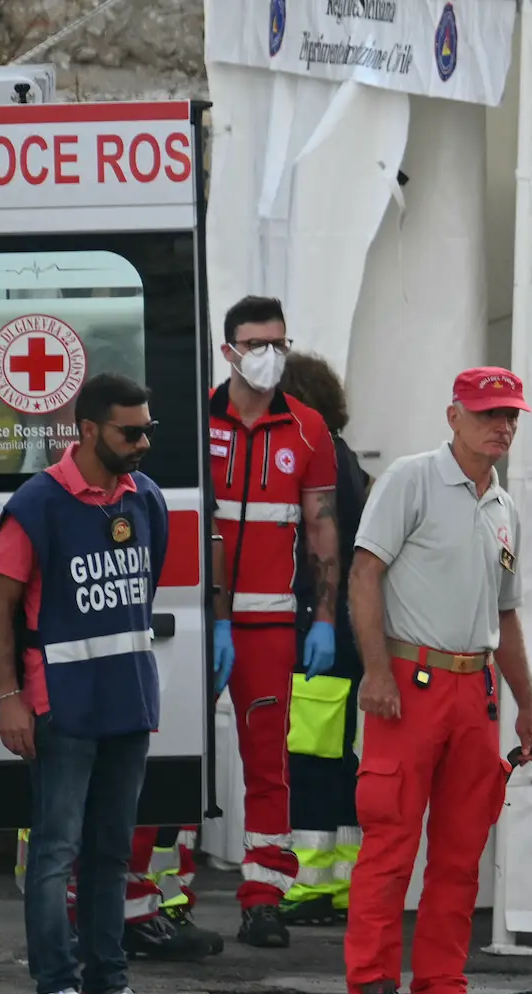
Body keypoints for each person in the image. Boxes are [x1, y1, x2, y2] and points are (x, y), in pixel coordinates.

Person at [341, 368, 532, 994]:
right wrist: (376, 671)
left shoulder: (503, 507)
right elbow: (364, 572)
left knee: (461, 853)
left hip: (473, 690)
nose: (503, 426)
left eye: (511, 415)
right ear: (453, 416)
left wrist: (527, 706)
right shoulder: (412, 478)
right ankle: (371, 993)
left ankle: (440, 993)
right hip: (409, 680)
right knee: (392, 843)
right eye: (490, 413)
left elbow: (506, 615)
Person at [0, 373, 186, 994]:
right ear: (89, 430)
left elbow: (141, 593)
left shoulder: (146, 499)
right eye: (131, 431)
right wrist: (10, 698)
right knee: (55, 850)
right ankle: (56, 991)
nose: (144, 442)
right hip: (61, 706)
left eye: (148, 429)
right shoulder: (37, 502)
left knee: (110, 852)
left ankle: (109, 987)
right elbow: (0, 606)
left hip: (126, 701)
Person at [208, 296, 341, 949]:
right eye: (256, 343)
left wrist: (325, 616)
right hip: (201, 623)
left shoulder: (308, 428)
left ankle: (264, 896)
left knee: (268, 763)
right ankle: (149, 896)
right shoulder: (193, 417)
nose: (269, 356)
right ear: (228, 349)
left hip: (271, 625)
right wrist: (211, 616)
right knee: (171, 754)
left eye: (279, 344)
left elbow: (322, 528)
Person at [277, 351, 370, 923]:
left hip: (320, 627)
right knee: (335, 757)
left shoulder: (319, 460)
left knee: (310, 756)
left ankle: (311, 884)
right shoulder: (345, 458)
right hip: (343, 630)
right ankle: (337, 881)